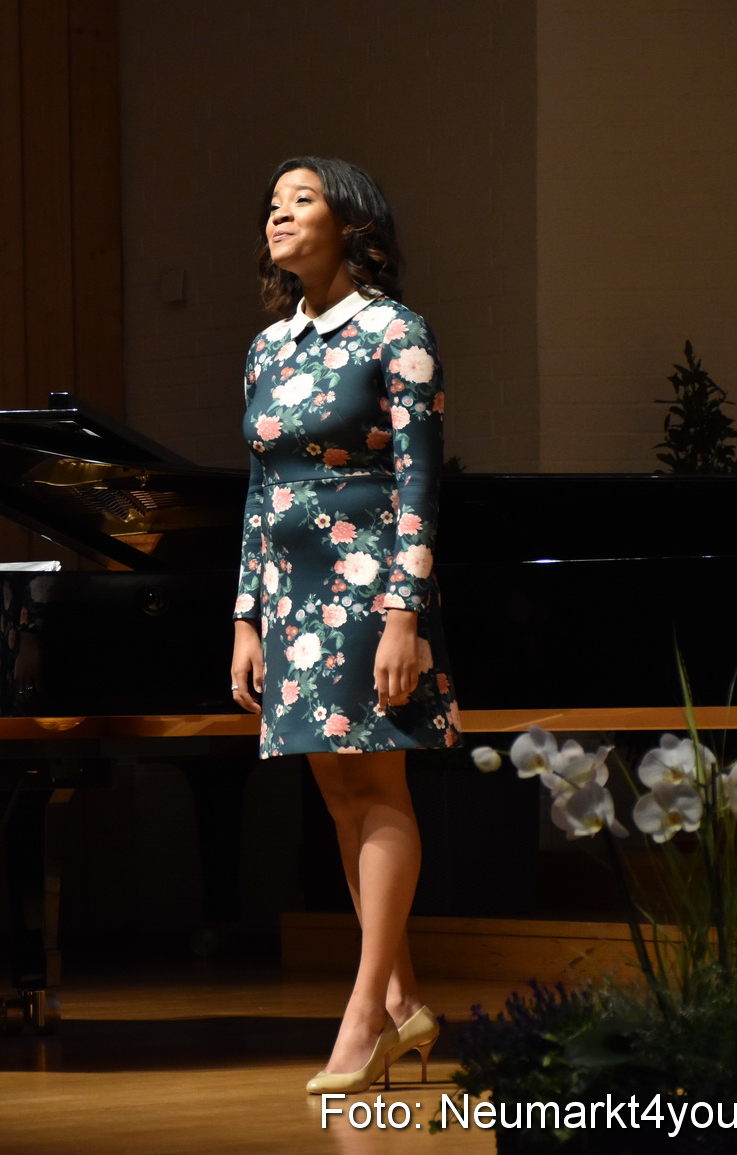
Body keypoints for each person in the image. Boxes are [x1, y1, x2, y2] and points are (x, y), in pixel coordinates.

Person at [229, 157, 461, 1094]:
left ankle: (363, 1017)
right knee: (335, 792)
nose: (279, 214)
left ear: (351, 223)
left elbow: (421, 481)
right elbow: (259, 491)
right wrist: (246, 616)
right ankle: (404, 1002)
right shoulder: (267, 347)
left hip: (369, 588)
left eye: (302, 199)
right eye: (273, 204)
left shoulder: (396, 332)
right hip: (291, 596)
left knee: (377, 780)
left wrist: (405, 611)